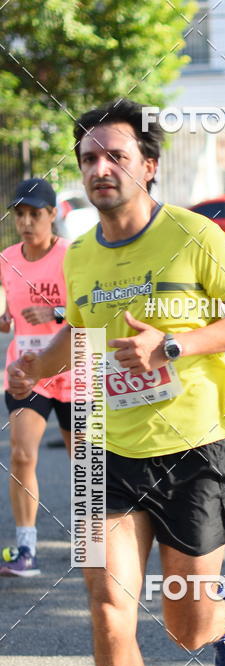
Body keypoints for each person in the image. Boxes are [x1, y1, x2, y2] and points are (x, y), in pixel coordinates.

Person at [7, 99, 225, 666]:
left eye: (115, 155)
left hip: (196, 449)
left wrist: (175, 346)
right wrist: (36, 363)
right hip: (103, 449)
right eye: (90, 157)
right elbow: (79, 332)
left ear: (148, 165)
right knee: (107, 609)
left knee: (184, 624)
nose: (100, 168)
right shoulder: (83, 255)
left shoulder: (194, 235)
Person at [0, 177, 71, 576]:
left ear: (51, 215)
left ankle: (96, 542)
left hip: (74, 368)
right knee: (21, 454)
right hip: (27, 373)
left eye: (35, 214)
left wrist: (55, 313)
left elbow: (94, 308)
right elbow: (7, 310)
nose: (27, 221)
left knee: (87, 462)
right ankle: (25, 551)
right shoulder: (6, 258)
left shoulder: (72, 256)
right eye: (20, 214)